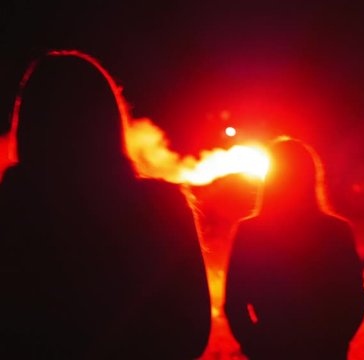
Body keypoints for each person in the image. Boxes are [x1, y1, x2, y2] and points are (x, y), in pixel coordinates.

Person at [0, 52, 211, 359]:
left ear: (28, 123)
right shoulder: (163, 207)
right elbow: (193, 328)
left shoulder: (12, 215)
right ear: (110, 119)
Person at [225, 137, 364, 360]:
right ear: (312, 177)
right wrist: (337, 338)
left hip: (275, 345)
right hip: (323, 346)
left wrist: (254, 343)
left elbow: (234, 301)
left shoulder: (250, 231)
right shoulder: (336, 230)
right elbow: (356, 296)